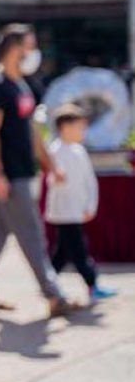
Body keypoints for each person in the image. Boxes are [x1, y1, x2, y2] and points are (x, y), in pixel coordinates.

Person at [0, 23, 83, 317]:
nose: (33, 52)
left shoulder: (20, 85)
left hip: (23, 171)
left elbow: (31, 131)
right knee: (33, 234)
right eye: (30, 46)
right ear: (14, 47)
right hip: (9, 174)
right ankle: (54, 295)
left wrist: (51, 165)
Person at [46, 103, 117, 302]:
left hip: (76, 211)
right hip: (63, 212)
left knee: (62, 252)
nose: (83, 131)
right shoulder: (55, 151)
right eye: (80, 127)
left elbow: (89, 182)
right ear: (65, 127)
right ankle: (92, 285)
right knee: (78, 251)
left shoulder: (79, 151)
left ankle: (47, 282)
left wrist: (90, 205)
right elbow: (52, 179)